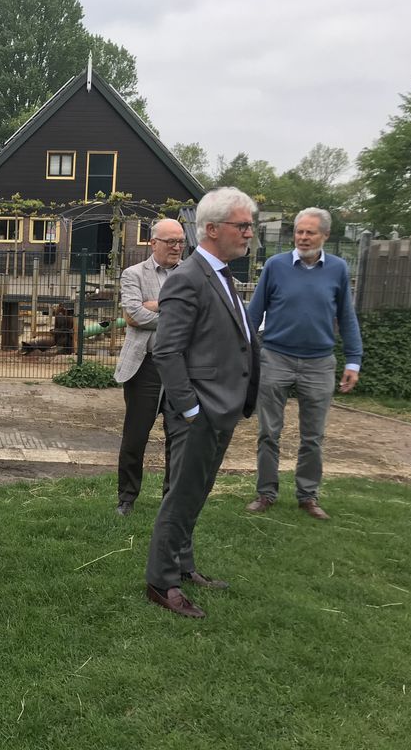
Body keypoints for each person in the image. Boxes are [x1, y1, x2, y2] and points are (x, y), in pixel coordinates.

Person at [145, 187, 261, 619]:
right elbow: (167, 352)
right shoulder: (188, 278)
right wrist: (191, 409)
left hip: (222, 408)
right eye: (242, 225)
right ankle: (162, 581)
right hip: (199, 413)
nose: (249, 233)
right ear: (212, 229)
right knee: (181, 496)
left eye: (249, 225)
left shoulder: (222, 275)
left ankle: (183, 565)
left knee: (197, 493)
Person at [244, 207, 363, 520]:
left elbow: (347, 318)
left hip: (319, 363)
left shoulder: (338, 268)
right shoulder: (275, 266)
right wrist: (243, 352)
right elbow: (254, 313)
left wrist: (354, 360)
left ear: (324, 235)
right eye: (299, 231)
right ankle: (266, 493)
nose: (303, 237)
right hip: (275, 357)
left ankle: (307, 496)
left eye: (310, 232)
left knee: (313, 437)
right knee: (269, 432)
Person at [112, 218, 184, 516]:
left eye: (181, 242)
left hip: (181, 368)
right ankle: (127, 498)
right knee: (135, 436)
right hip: (145, 368)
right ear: (153, 243)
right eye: (171, 242)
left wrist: (154, 305)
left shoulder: (192, 274)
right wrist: (175, 314)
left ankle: (173, 497)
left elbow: (197, 318)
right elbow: (133, 315)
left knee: (179, 436)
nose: (177, 247)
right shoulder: (133, 274)